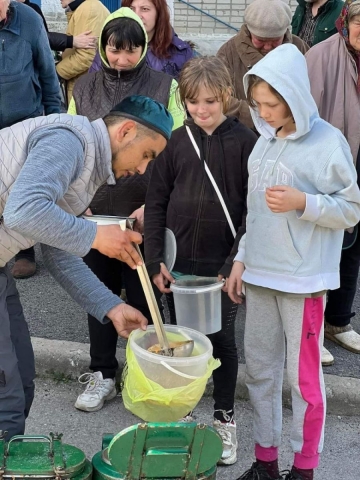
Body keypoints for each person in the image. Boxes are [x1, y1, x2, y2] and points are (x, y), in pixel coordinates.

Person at [0, 94, 173, 441]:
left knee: (21, 380)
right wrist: (95, 235)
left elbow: (60, 251)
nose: (142, 170)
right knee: (6, 399)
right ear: (125, 131)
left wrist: (110, 306)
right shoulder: (69, 140)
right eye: (146, 156)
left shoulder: (88, 166)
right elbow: (23, 211)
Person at [227, 44, 360, 480]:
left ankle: (304, 469)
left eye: (271, 104)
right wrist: (241, 261)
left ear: (295, 98)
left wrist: (304, 202)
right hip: (261, 276)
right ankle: (265, 461)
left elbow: (351, 209)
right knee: (260, 373)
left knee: (303, 380)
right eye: (258, 104)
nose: (262, 114)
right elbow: (255, 214)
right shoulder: (262, 145)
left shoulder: (327, 143)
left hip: (303, 281)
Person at [68, 7, 185, 413]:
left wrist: (152, 204)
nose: (121, 59)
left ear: (143, 48)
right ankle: (101, 373)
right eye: (114, 50)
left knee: (144, 294)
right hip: (94, 212)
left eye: (130, 51)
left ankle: (144, 373)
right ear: (103, 47)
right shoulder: (83, 86)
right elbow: (74, 145)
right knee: (98, 295)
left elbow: (175, 149)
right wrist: (75, 203)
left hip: (142, 212)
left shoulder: (164, 84)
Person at [144, 56, 257, 466]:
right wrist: (155, 256)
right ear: (184, 100)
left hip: (221, 268)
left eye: (210, 101)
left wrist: (235, 264)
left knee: (223, 341)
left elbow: (252, 214)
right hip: (178, 263)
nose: (202, 109)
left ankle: (224, 417)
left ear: (227, 96)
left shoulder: (247, 142)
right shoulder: (175, 141)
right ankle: (187, 412)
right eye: (194, 102)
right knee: (184, 342)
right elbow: (155, 202)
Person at [305, 0, 360, 365]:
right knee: (324, 247)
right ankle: (312, 329)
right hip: (332, 163)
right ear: (347, 23)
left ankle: (339, 322)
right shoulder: (321, 56)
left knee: (354, 245)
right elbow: (305, 117)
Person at [0, 0, 61, 279]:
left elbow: (48, 76)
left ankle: (25, 250)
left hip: (25, 123)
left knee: (22, 191)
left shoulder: (29, 20)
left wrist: (57, 126)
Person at [216, 0, 309, 129]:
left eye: (275, 40)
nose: (268, 46)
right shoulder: (228, 52)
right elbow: (219, 96)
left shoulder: (299, 47)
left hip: (291, 131)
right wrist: (258, 114)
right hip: (244, 132)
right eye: (260, 40)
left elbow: (312, 89)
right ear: (249, 31)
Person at [89, 0, 195, 79]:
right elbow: (93, 86)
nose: (137, 15)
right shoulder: (111, 46)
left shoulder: (180, 52)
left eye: (145, 9)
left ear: (159, 14)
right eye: (131, 9)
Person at [56, 0, 109, 104]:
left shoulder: (89, 9)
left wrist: (57, 72)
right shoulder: (85, 8)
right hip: (84, 85)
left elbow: (87, 56)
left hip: (86, 88)